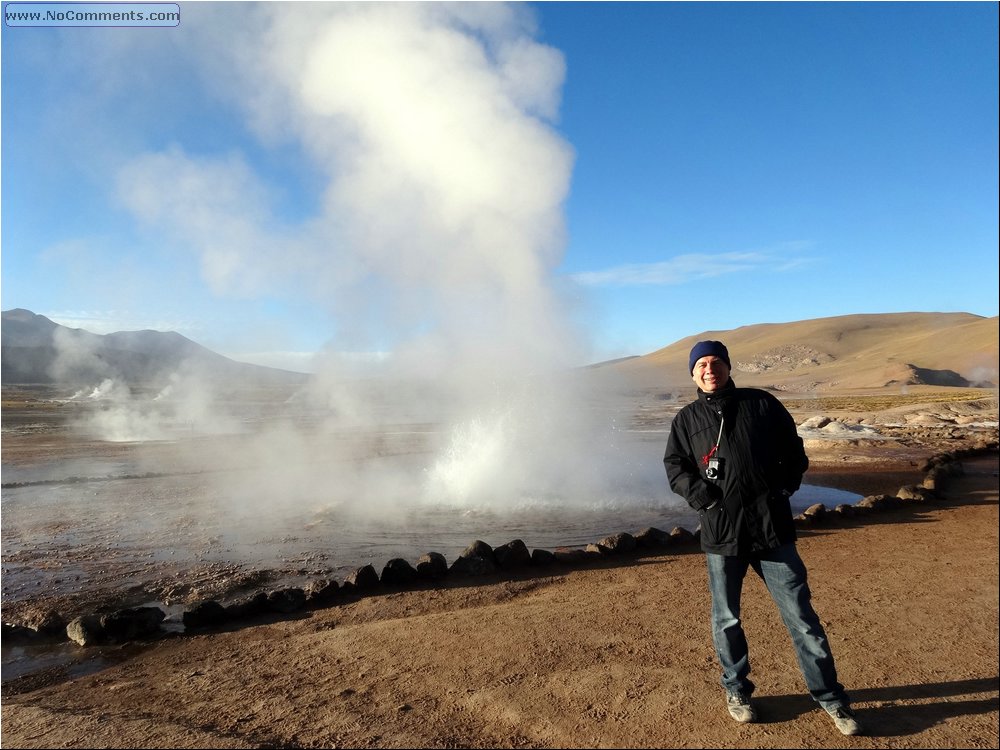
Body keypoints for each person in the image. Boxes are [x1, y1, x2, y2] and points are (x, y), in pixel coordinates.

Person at [663, 340, 862, 736]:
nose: (709, 369)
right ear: (692, 373)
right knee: (726, 619)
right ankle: (737, 691)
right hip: (722, 533)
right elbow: (676, 466)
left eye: (715, 362)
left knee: (802, 617)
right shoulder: (686, 420)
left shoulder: (761, 403)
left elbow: (794, 449)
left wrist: (785, 488)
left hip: (771, 528)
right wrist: (702, 498)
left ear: (728, 366)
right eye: (701, 364)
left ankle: (830, 698)